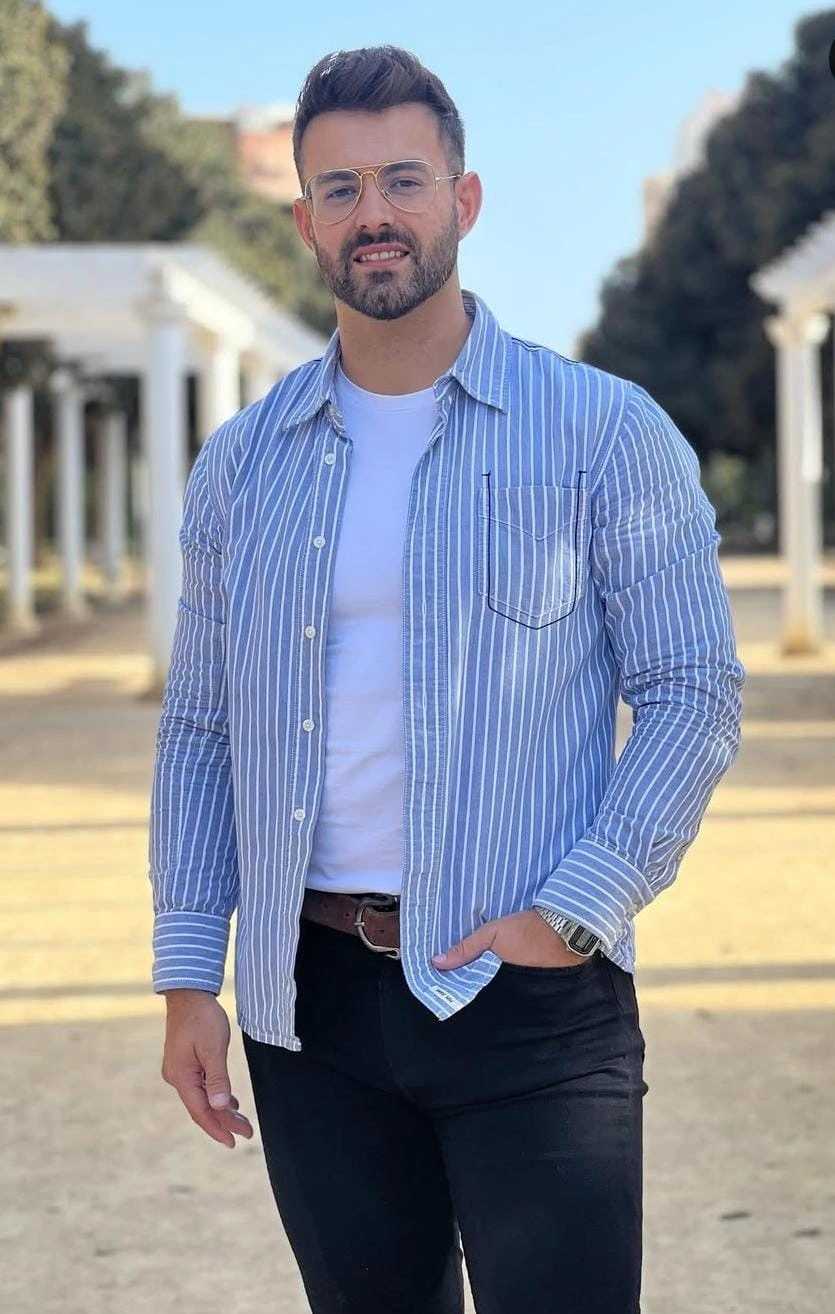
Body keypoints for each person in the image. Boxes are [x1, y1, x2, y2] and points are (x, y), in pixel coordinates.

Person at [150, 45, 745, 1314]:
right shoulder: (242, 465)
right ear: (306, 220)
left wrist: (574, 912)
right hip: (311, 1009)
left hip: (534, 992)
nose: (374, 212)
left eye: (403, 180)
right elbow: (200, 727)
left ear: (462, 201)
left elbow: (692, 689)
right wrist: (190, 974)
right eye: (341, 188)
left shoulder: (603, 431)